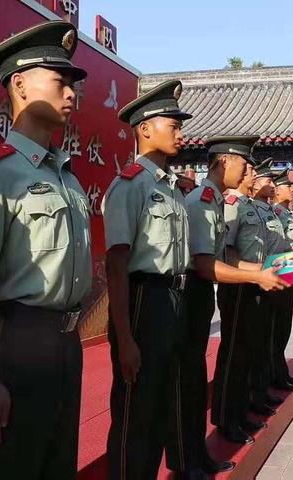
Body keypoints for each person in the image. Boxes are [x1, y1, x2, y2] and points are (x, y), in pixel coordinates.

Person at [0, 21, 91, 480]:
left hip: (66, 343)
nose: (71, 92)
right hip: (17, 343)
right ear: (19, 83)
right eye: (60, 80)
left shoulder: (68, 179)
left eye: (73, 82)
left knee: (58, 467)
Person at [168, 136, 288, 478]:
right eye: (243, 163)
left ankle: (198, 454)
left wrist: (262, 273)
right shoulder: (202, 200)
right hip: (191, 290)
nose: (248, 170)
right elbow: (207, 263)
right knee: (187, 380)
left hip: (204, 291)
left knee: (195, 376)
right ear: (224, 162)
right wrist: (254, 277)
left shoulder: (216, 200)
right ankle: (185, 460)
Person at [102, 79, 192, 480]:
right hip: (142, 301)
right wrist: (124, 337)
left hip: (173, 300)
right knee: (135, 413)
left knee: (159, 409)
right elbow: (117, 266)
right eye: (172, 124)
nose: (180, 132)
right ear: (144, 129)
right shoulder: (130, 186)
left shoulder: (171, 190)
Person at [212, 157, 287, 444]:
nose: (252, 173)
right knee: (234, 354)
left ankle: (241, 411)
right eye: (250, 168)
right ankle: (226, 418)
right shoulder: (232, 205)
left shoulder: (251, 206)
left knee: (248, 350)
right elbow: (227, 254)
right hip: (239, 285)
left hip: (255, 282)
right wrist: (257, 273)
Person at [249, 158, 291, 410]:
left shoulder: (270, 212)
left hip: (276, 276)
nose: (273, 186)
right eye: (269, 181)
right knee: (253, 343)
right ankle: (251, 397)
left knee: (272, 335)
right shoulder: (242, 208)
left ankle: (266, 387)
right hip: (251, 280)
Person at [271, 168, 293, 387]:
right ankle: (275, 375)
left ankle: (280, 372)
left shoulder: (287, 214)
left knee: (284, 328)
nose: (291, 189)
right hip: (279, 277)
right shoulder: (276, 214)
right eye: (287, 186)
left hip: (290, 277)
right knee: (276, 329)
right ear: (276, 190)